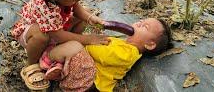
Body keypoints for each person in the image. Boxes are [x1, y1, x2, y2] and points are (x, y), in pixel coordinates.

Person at [11, 0, 110, 90]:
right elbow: (56, 35)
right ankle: (32, 65)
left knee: (84, 14)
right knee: (41, 35)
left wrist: (89, 17)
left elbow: (76, 7)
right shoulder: (43, 4)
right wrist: (87, 39)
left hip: (55, 29)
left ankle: (58, 50)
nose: (77, 0)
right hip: (32, 34)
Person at [42, 18, 171, 92]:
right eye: (141, 21)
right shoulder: (122, 42)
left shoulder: (129, 53)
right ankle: (58, 67)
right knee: (75, 44)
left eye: (145, 27)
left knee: (75, 45)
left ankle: (44, 62)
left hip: (89, 81)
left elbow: (101, 54)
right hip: (83, 72)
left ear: (150, 45)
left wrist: (86, 41)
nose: (138, 23)